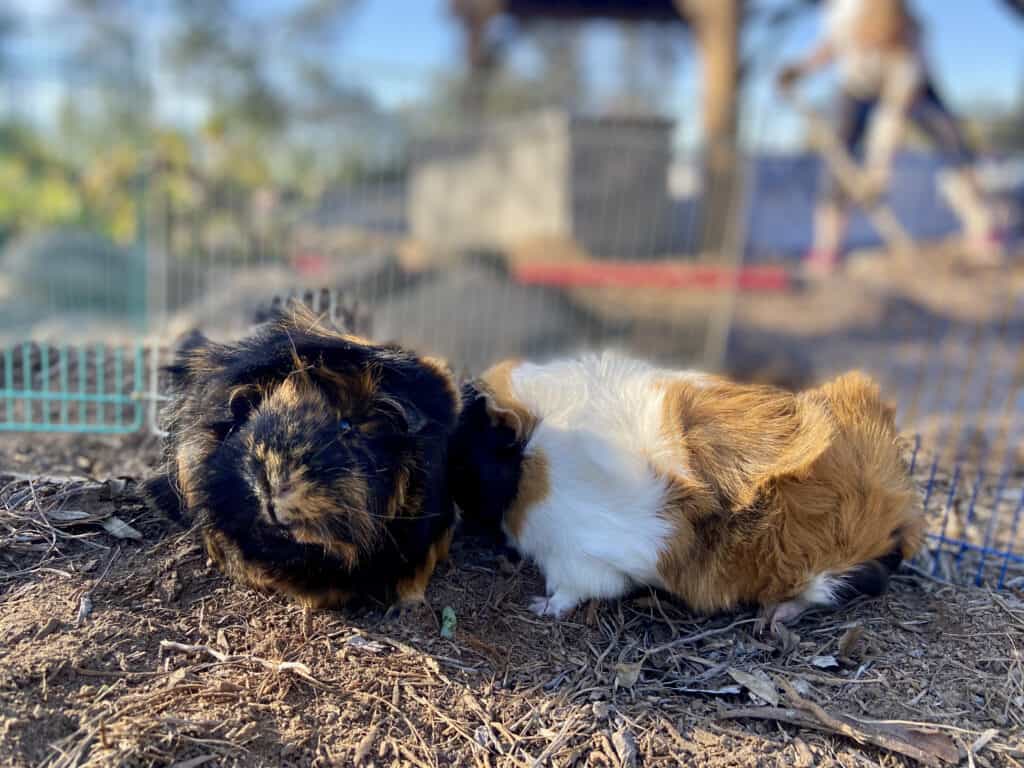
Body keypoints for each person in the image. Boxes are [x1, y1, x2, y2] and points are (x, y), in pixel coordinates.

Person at [778, 0, 1001, 276]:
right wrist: (801, 69)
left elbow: (891, 117)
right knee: (838, 155)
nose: (873, 43)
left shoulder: (911, 45)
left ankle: (982, 232)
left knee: (952, 141)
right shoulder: (843, 12)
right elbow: (829, 47)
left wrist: (878, 173)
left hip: (910, 89)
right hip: (855, 87)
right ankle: (827, 248)